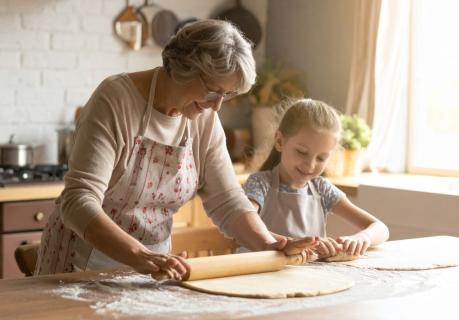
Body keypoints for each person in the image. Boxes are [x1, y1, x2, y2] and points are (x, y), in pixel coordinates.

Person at [34, 20, 318, 280]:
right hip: (82, 265)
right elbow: (78, 201)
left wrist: (269, 243)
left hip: (156, 267)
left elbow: (228, 201)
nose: (217, 105)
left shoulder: (203, 118)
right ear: (184, 68)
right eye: (213, 91)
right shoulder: (115, 100)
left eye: (227, 95)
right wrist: (139, 255)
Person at [242, 98, 389, 258]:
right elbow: (245, 226)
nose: (310, 165)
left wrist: (362, 238)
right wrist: (293, 243)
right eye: (302, 152)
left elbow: (380, 228)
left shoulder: (322, 189)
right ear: (279, 141)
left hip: (305, 277)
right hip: (259, 276)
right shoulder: (260, 183)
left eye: (321, 158)